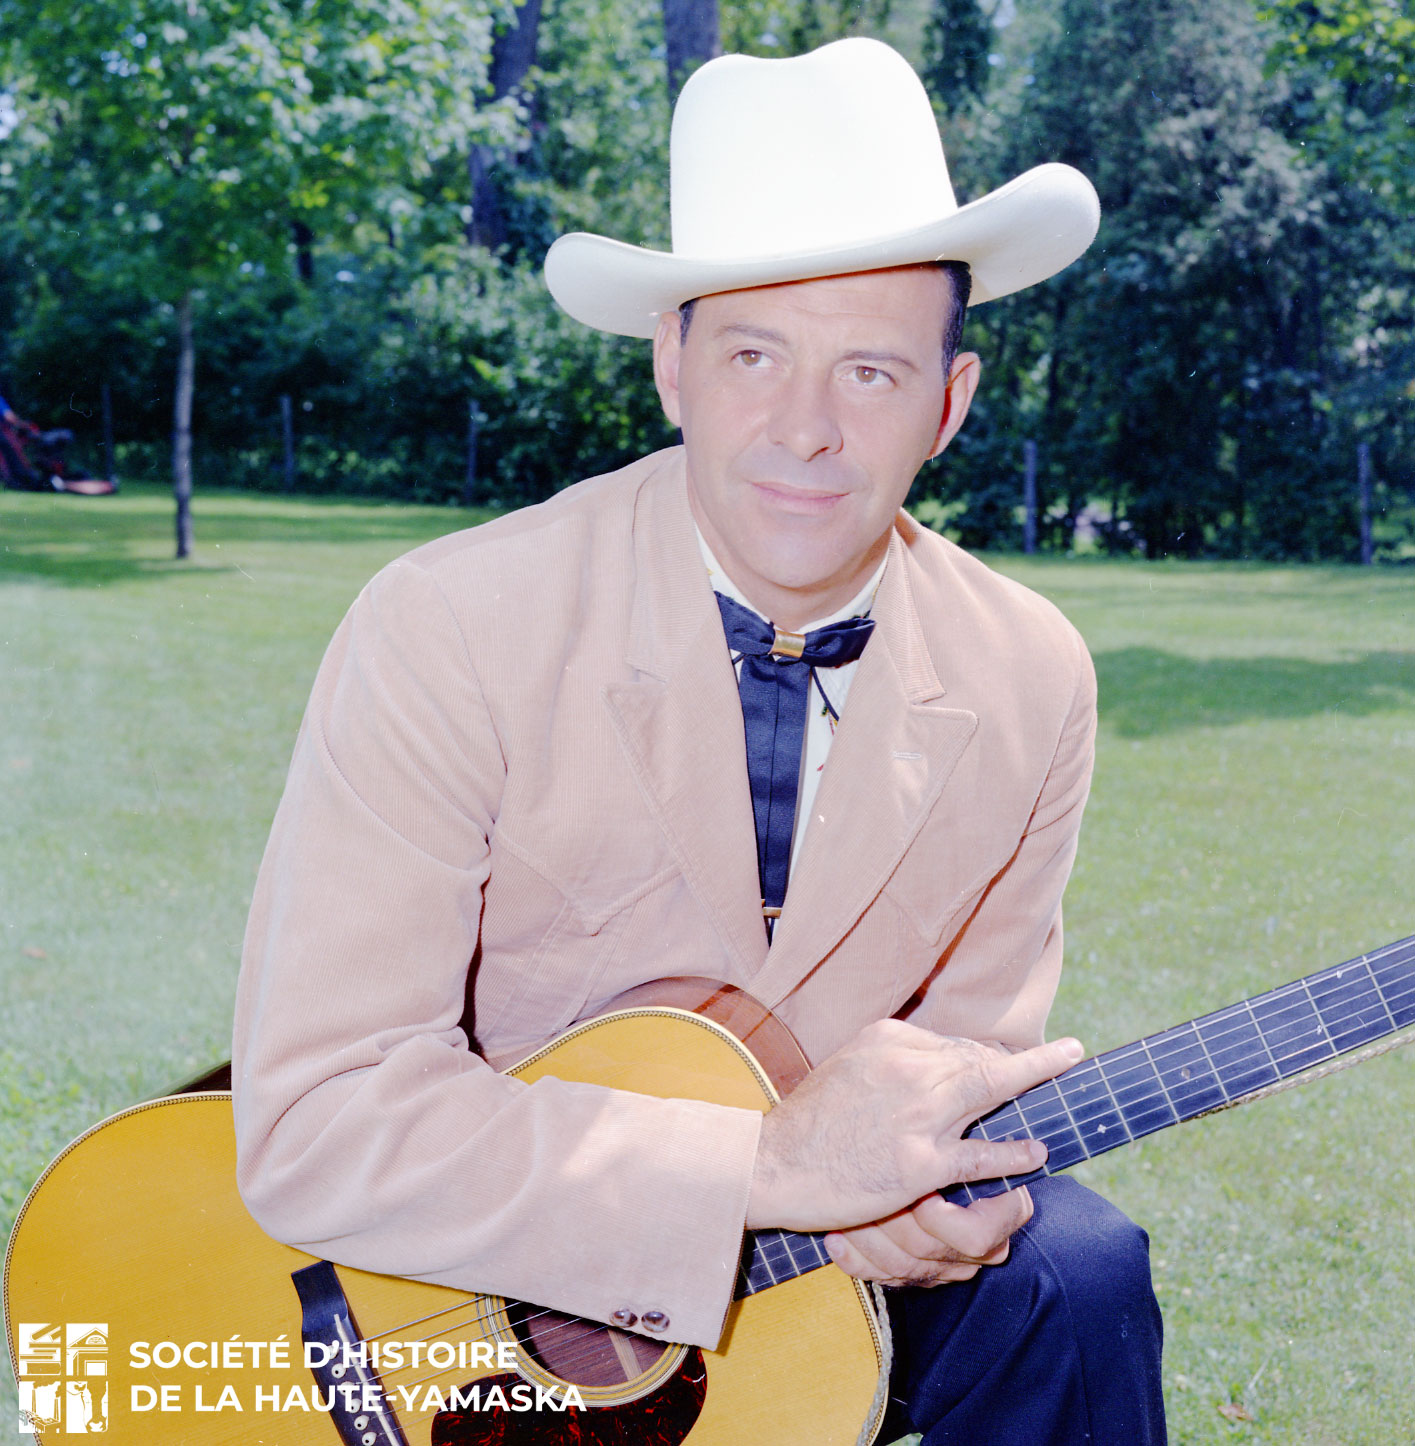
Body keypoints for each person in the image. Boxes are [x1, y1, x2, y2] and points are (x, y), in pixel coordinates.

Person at [233, 37, 1165, 1443]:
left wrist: (916, 1179)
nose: (805, 428)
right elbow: (318, 1118)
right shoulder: (447, 624)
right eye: (752, 353)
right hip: (476, 1275)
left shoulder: (1033, 674)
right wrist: (762, 1161)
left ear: (951, 404)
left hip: (814, 1257)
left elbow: (965, 1063)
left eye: (869, 370)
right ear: (670, 365)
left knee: (1073, 1274)